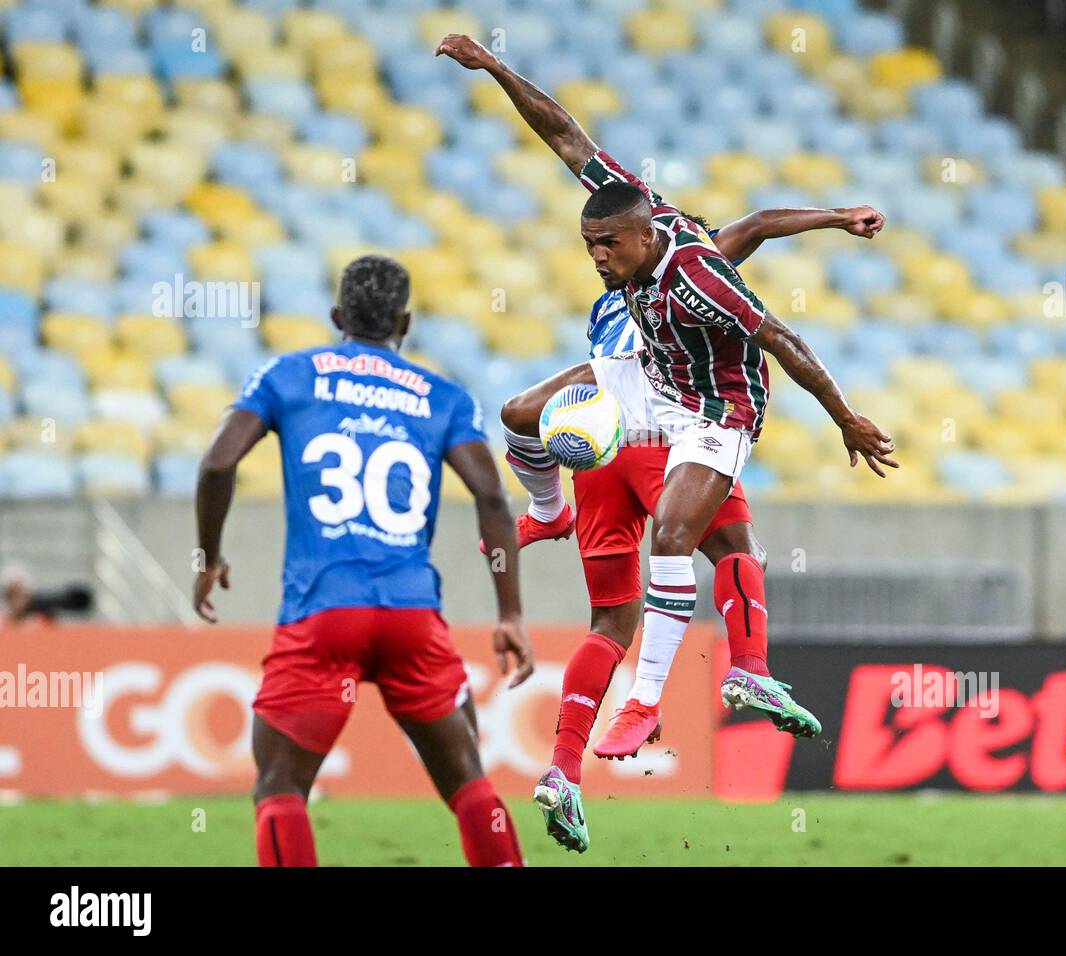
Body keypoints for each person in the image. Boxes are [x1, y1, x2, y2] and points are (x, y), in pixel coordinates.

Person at [437, 35, 897, 851]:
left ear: (645, 238)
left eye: (606, 246)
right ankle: (716, 678)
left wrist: (844, 418)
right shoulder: (640, 214)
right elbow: (566, 135)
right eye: (591, 246)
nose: (597, 257)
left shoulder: (699, 275)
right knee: (708, 545)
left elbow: (782, 338)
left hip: (707, 413)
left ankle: (639, 707)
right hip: (648, 403)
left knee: (639, 582)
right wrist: (498, 70)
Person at [193, 254, 533, 867]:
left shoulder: (288, 375)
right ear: (405, 322)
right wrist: (510, 612)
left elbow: (217, 464)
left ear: (335, 317)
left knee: (280, 787)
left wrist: (208, 557)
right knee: (469, 782)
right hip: (411, 614)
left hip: (323, 611)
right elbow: (491, 497)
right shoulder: (443, 396)